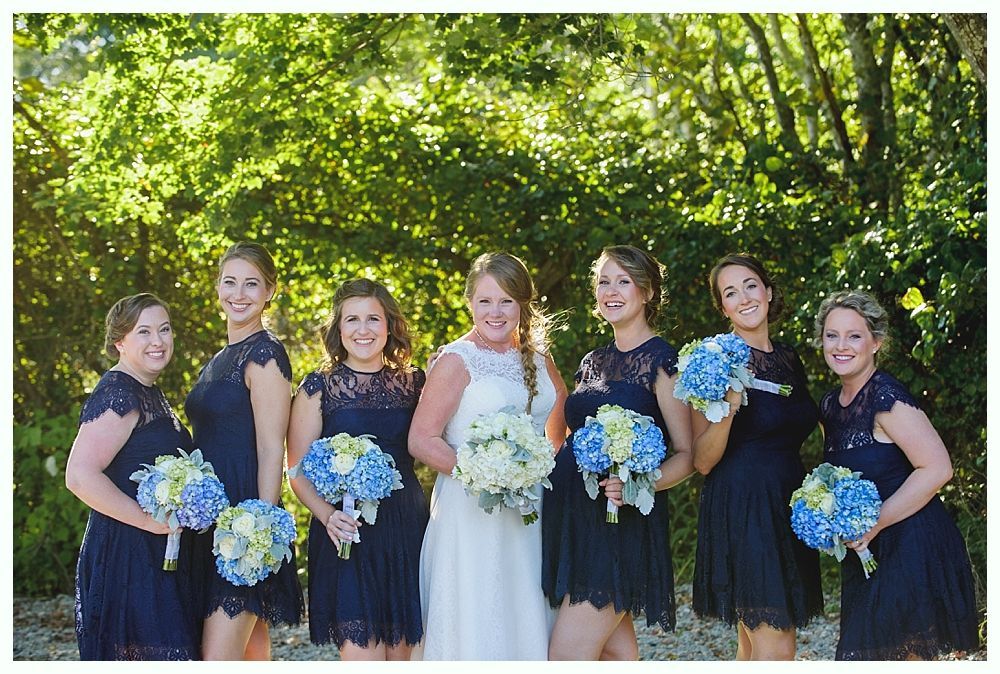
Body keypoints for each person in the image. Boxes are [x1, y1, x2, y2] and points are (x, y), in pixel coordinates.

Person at [409, 252, 568, 660]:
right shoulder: (456, 359)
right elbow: (422, 440)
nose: (495, 312)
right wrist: (485, 472)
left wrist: (533, 470)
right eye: (485, 301)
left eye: (506, 301)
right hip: (471, 511)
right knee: (477, 614)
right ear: (469, 303)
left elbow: (558, 432)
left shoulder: (540, 359)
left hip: (530, 511)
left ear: (522, 304)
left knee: (526, 609)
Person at [541, 245, 693, 660]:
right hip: (574, 520)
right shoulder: (592, 361)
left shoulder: (663, 361)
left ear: (646, 292)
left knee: (566, 658)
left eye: (623, 281)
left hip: (616, 527)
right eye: (603, 282)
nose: (611, 290)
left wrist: (639, 485)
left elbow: (687, 454)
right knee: (615, 657)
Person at [816, 290, 978, 660]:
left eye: (854, 336)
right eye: (832, 335)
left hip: (912, 544)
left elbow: (938, 468)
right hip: (867, 551)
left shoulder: (886, 397)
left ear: (876, 343)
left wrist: (874, 523)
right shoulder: (829, 405)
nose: (841, 345)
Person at [689, 254, 824, 660]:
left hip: (786, 501)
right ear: (723, 307)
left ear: (767, 291)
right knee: (776, 644)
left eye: (750, 285)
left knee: (755, 647)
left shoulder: (788, 358)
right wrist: (730, 405)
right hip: (745, 505)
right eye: (731, 292)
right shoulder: (711, 361)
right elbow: (703, 460)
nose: (744, 297)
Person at [287, 279, 427, 660]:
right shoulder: (319, 387)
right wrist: (327, 515)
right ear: (338, 328)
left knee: (405, 654)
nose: (362, 330)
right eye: (352, 320)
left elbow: (436, 442)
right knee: (360, 651)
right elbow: (295, 469)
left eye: (372, 319)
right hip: (346, 532)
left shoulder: (416, 383)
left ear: (389, 325)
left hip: (405, 527)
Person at [66, 293, 201, 660]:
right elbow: (79, 476)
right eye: (144, 332)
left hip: (154, 553)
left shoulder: (148, 391)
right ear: (120, 342)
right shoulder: (120, 393)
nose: (158, 341)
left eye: (164, 329)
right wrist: (148, 521)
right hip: (127, 557)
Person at [185, 242, 303, 660]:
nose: (239, 293)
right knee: (250, 656)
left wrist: (258, 531)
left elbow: (274, 449)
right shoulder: (219, 358)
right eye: (230, 281)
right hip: (207, 519)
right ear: (217, 286)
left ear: (269, 291)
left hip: (243, 523)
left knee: (217, 658)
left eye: (251, 284)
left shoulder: (265, 354)